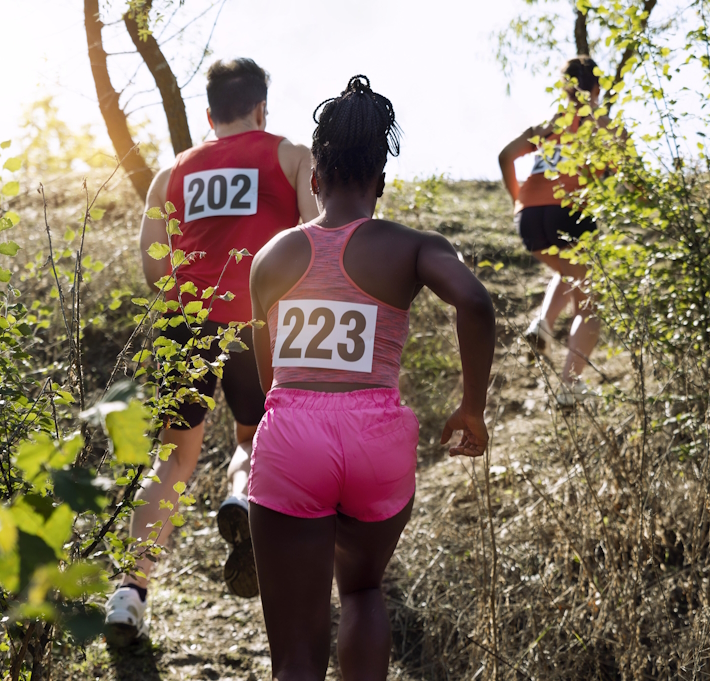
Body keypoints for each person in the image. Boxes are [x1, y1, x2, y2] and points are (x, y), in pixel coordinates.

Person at [247, 75, 495, 681]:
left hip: (293, 437)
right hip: (376, 441)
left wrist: (284, 419)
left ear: (315, 179)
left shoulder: (272, 256)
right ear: (380, 184)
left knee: (296, 659)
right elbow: (476, 303)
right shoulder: (410, 246)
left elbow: (268, 366)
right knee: (361, 593)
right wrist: (470, 409)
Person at [105, 57, 319, 645]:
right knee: (252, 436)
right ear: (260, 107)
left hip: (185, 322)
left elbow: (153, 265)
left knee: (173, 458)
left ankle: (129, 593)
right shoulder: (292, 155)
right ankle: (239, 496)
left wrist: (191, 299)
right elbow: (320, 235)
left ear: (207, 114)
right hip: (260, 320)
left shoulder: (171, 172)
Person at [498, 56, 617, 405]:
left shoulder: (548, 126)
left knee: (570, 271)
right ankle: (569, 387)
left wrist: (517, 199)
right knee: (588, 305)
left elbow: (505, 156)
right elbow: (624, 174)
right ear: (596, 89)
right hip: (569, 214)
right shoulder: (602, 124)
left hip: (530, 219)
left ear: (564, 89)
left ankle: (543, 326)